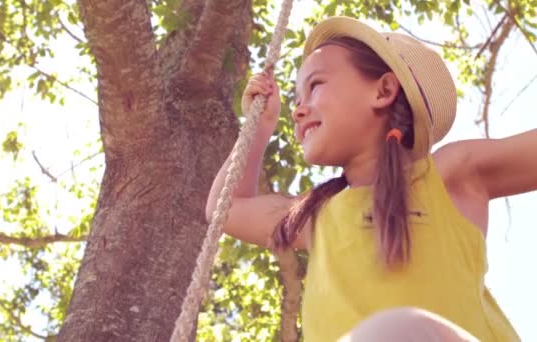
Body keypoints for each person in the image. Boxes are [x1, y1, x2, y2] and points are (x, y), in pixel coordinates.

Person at [205, 16, 535, 341]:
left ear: (384, 91)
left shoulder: (449, 176)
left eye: (316, 85)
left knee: (393, 329)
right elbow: (227, 208)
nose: (297, 110)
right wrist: (260, 125)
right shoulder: (317, 217)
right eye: (295, 99)